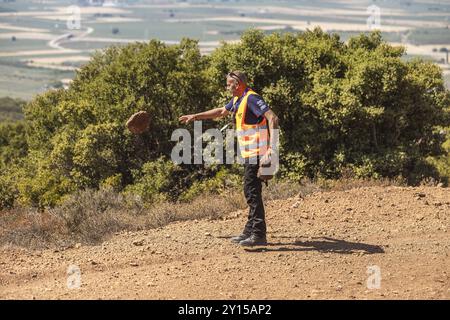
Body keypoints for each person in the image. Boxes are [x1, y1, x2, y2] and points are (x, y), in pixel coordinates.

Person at [179, 71, 279, 246]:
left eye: (228, 84)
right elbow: (221, 111)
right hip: (250, 153)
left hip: (258, 152)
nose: (227, 87)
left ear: (238, 83)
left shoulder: (252, 98)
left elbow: (273, 118)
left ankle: (259, 234)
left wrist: (272, 148)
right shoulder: (238, 99)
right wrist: (195, 116)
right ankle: (250, 231)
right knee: (251, 191)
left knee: (252, 192)